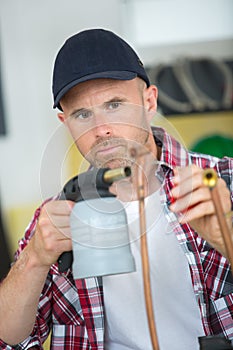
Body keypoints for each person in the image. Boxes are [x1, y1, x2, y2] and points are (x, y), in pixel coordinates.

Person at [0, 28, 232, 350]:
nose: (101, 129)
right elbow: (7, 338)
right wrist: (34, 259)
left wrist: (224, 234)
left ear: (149, 101)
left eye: (114, 104)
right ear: (64, 122)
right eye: (83, 114)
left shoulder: (223, 179)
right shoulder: (55, 218)